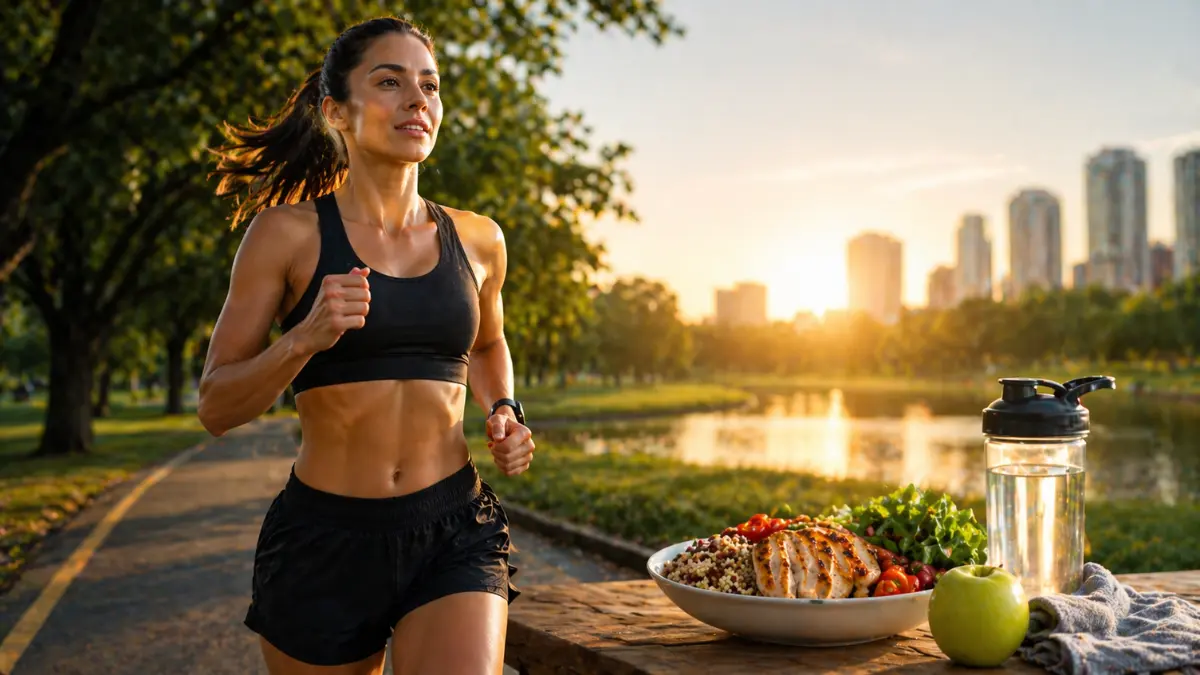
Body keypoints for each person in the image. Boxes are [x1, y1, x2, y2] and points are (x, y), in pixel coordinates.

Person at [199, 16, 534, 675]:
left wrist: (505, 408)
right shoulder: (285, 236)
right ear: (337, 112)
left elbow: (489, 344)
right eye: (391, 81)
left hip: (453, 529)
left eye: (431, 85)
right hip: (325, 541)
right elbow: (216, 405)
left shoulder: (478, 239)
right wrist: (304, 338)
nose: (419, 99)